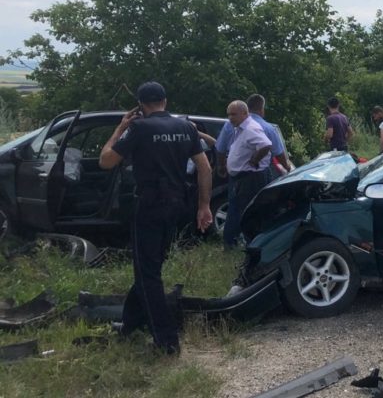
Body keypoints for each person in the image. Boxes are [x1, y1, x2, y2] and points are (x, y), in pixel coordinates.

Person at [98, 81, 211, 355]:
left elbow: (106, 161)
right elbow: (204, 167)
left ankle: (167, 342)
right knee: (148, 268)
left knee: (148, 274)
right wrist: (204, 206)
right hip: (177, 206)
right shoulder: (186, 127)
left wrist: (119, 129)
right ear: (165, 101)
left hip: (149, 206)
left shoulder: (139, 128)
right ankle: (129, 325)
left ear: (140, 105)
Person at [222, 100, 272, 248]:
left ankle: (250, 244)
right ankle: (232, 242)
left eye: (233, 114)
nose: (230, 118)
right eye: (228, 114)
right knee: (236, 210)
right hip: (240, 178)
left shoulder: (251, 128)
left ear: (245, 113)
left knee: (246, 212)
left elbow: (266, 145)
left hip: (249, 178)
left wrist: (255, 160)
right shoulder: (240, 128)